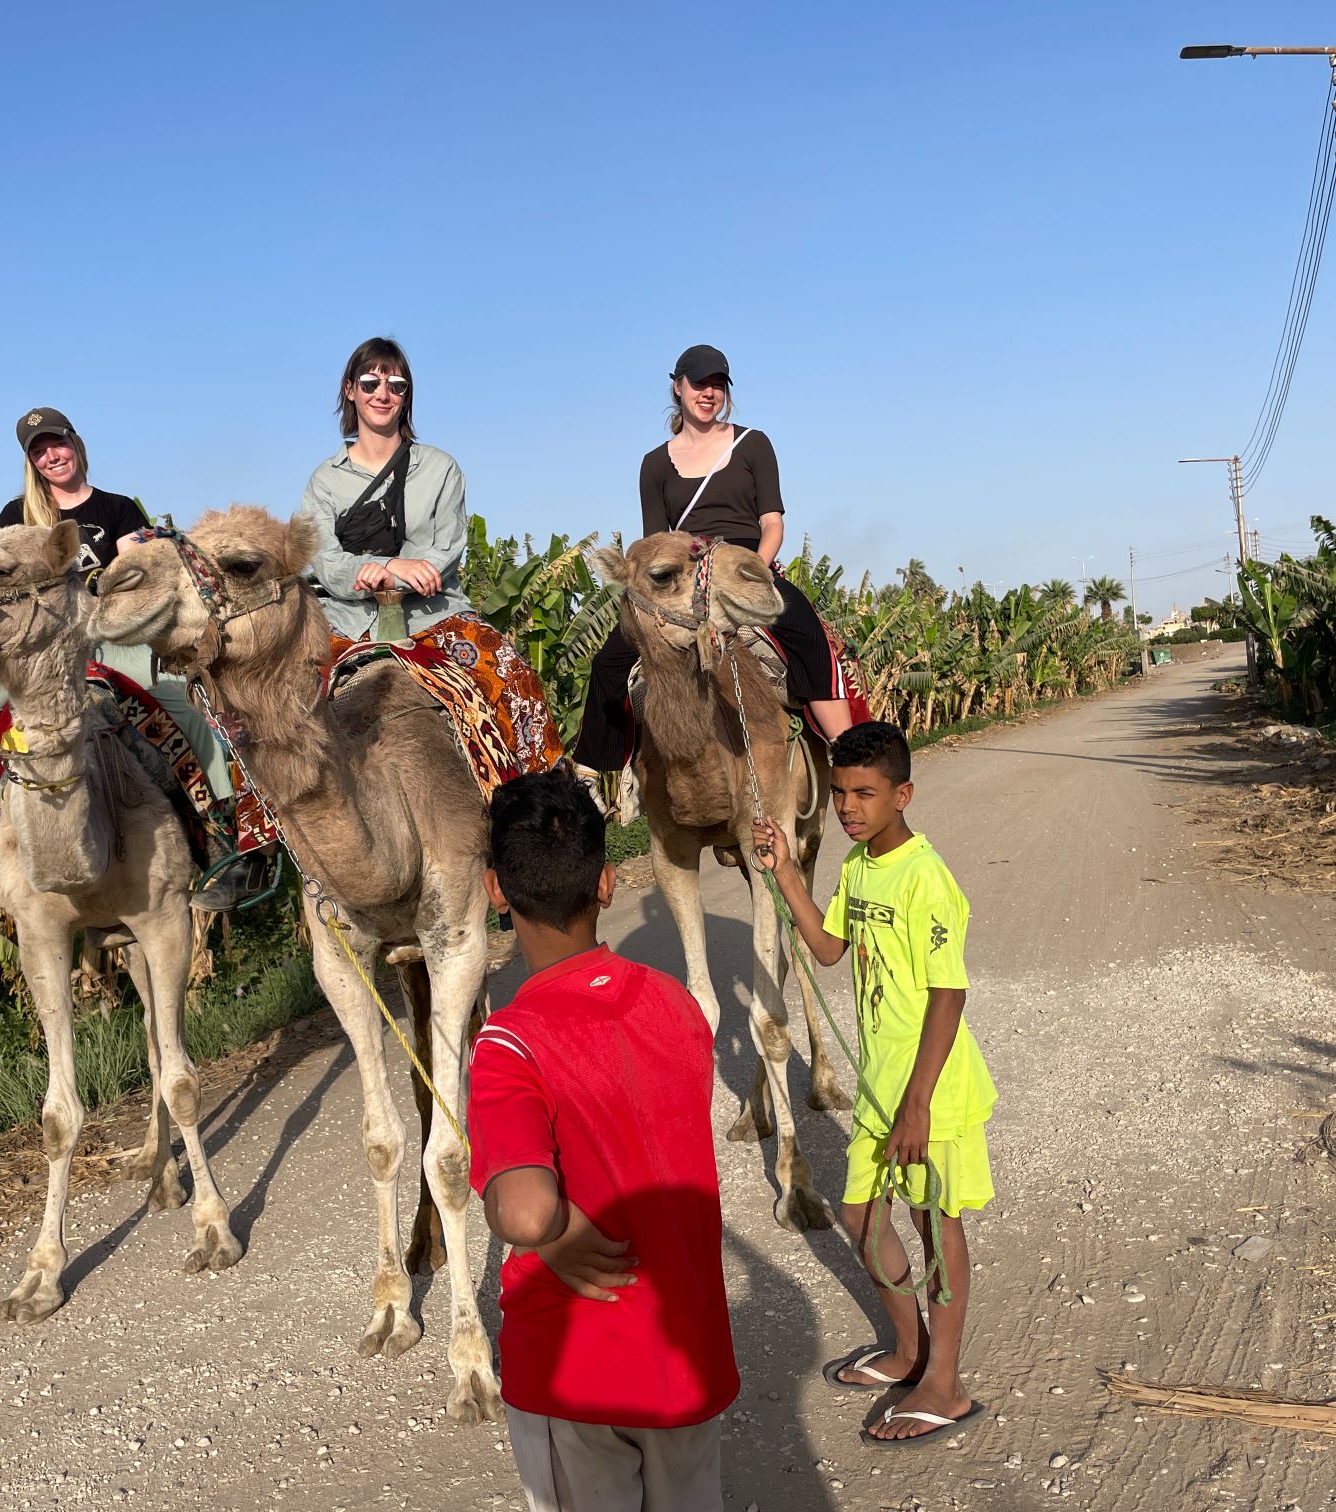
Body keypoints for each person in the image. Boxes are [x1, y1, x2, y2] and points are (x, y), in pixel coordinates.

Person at [469, 771, 737, 1510]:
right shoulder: (678, 1005)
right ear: (609, 883)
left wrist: (550, 1233)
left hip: (576, 1374)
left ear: (496, 889)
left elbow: (524, 1212)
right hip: (685, 1357)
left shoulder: (509, 1042)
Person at [752, 721, 997, 1447]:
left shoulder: (929, 878)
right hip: (882, 1088)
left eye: (864, 793)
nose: (849, 807)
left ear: (903, 794)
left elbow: (949, 995)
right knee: (861, 1219)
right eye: (838, 794)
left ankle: (944, 1387)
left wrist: (919, 1104)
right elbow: (830, 950)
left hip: (933, 1092)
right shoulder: (860, 868)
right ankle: (909, 1348)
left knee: (933, 1227)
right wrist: (787, 875)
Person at [0, 407, 244, 917]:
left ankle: (222, 840)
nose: (51, 455)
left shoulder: (116, 508)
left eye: (57, 443)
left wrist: (136, 562)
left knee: (190, 712)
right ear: (31, 461)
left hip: (109, 641)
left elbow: (133, 570)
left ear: (76, 444)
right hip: (35, 658)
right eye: (39, 449)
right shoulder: (17, 519)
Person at [572, 343, 856, 812]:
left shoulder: (753, 444)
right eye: (700, 383)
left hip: (745, 565)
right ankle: (595, 777)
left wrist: (756, 572)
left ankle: (848, 754)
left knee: (806, 633)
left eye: (718, 384)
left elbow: (772, 523)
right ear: (678, 387)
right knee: (611, 660)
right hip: (684, 580)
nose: (709, 392)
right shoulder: (655, 463)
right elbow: (656, 544)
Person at [300, 337, 472, 641]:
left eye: (396, 385)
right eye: (370, 383)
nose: (383, 394)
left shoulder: (441, 468)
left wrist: (390, 576)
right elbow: (327, 562)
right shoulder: (324, 481)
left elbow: (447, 548)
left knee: (511, 678)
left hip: (434, 615)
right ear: (350, 390)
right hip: (347, 620)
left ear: (406, 396)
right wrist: (389, 565)